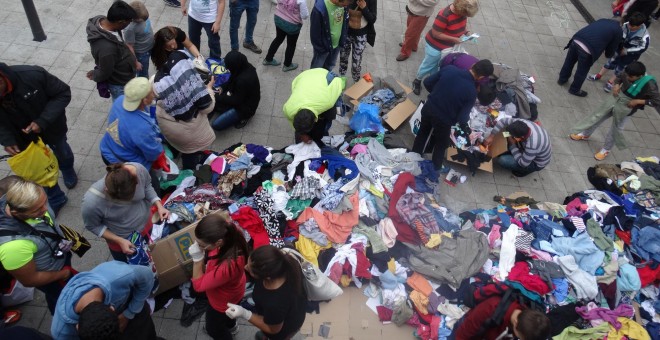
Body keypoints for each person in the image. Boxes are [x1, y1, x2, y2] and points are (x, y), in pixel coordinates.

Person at [0, 62, 77, 214]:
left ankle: (67, 169)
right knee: (38, 169)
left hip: (51, 128)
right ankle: (56, 197)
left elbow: (63, 93)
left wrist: (42, 121)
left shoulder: (32, 74)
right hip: (23, 138)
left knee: (62, 151)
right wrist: (7, 139)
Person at [0, 179, 74, 314]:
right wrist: (63, 274)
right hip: (52, 275)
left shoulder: (21, 198)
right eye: (38, 209)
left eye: (44, 202)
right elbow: (30, 279)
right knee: (60, 298)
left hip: (57, 255)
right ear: (16, 213)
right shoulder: (12, 247)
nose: (45, 209)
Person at [411, 60, 493, 172]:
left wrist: (437, 94)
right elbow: (462, 118)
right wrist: (465, 126)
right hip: (443, 121)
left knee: (423, 133)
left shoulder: (449, 69)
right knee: (441, 144)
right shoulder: (471, 92)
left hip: (429, 108)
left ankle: (413, 159)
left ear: (473, 65)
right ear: (481, 77)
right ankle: (434, 169)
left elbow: (427, 82)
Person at [570, 61, 660, 161]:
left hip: (627, 108)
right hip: (615, 98)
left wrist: (638, 101)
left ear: (640, 76)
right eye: (628, 76)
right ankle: (585, 134)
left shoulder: (650, 84)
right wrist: (616, 85)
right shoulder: (628, 71)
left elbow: (656, 101)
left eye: (631, 77)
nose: (628, 78)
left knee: (615, 129)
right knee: (598, 116)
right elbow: (619, 77)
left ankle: (606, 149)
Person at [82, 162, 169, 261]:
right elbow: (92, 226)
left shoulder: (139, 170)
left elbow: (147, 186)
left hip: (148, 227)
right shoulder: (91, 202)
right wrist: (119, 241)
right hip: (125, 241)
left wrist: (159, 205)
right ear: (107, 190)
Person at [51, 261, 157, 340]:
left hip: (131, 313)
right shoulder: (61, 333)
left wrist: (129, 313)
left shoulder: (120, 276)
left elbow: (147, 276)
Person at [226, 245, 307, 340]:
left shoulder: (275, 302)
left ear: (267, 277)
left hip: (283, 329)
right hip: (292, 312)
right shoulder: (284, 264)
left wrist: (244, 313)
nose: (245, 267)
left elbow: (273, 329)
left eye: (250, 270)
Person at [187, 213, 248, 339]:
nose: (198, 247)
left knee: (214, 328)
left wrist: (197, 259)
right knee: (229, 315)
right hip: (235, 291)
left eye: (202, 245)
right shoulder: (230, 232)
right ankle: (232, 326)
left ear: (218, 242)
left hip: (222, 301)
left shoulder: (228, 266)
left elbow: (198, 286)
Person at [153, 53, 216, 170]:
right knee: (190, 153)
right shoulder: (191, 88)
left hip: (170, 132)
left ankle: (175, 152)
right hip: (188, 136)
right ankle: (189, 170)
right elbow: (208, 107)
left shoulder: (159, 83)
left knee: (177, 145)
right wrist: (209, 89)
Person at [411, 0, 479, 95]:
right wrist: (454, 39)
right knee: (428, 65)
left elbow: (461, 26)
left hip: (448, 47)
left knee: (437, 66)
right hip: (435, 47)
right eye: (466, 14)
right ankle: (417, 80)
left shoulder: (462, 14)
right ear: (461, 9)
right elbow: (436, 34)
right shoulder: (444, 15)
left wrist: (467, 33)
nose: (466, 16)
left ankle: (432, 80)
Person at [99, 77, 162, 170]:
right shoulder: (143, 129)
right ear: (144, 100)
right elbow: (153, 153)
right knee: (151, 183)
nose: (153, 95)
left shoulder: (120, 100)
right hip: (125, 164)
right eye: (151, 93)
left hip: (106, 150)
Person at [86, 1, 138, 100]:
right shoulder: (107, 49)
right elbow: (105, 72)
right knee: (122, 108)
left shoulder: (102, 20)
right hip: (120, 84)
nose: (130, 23)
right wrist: (95, 74)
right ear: (120, 22)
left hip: (123, 71)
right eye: (129, 21)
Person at [557, 18, 622, 97]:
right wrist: (608, 54)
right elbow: (611, 49)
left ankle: (562, 79)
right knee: (582, 71)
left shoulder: (602, 20)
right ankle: (574, 89)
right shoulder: (618, 30)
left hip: (576, 40)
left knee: (569, 62)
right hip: (588, 49)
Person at [587, 12, 650, 93]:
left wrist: (627, 51)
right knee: (610, 62)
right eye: (630, 24)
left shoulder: (645, 36)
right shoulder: (626, 25)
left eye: (633, 26)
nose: (630, 27)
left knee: (620, 68)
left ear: (640, 25)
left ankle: (610, 82)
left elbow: (642, 48)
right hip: (618, 49)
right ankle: (599, 75)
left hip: (630, 56)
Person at [283, 68, 344, 144]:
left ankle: (323, 134)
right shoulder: (288, 109)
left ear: (315, 119)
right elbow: (293, 123)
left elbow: (338, 81)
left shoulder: (327, 101)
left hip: (320, 75)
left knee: (328, 118)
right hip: (303, 78)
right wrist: (303, 134)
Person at [453, 296, 551, 340]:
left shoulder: (525, 318)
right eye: (520, 337)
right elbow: (463, 333)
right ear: (516, 323)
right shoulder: (490, 309)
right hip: (469, 329)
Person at [484, 118, 552, 177]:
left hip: (534, 162)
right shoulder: (520, 123)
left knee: (503, 160)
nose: (510, 135)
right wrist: (491, 136)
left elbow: (523, 163)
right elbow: (502, 121)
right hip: (526, 149)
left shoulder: (532, 145)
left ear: (521, 137)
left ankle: (523, 172)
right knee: (504, 134)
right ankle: (512, 149)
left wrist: (512, 145)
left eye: (513, 136)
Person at [211, 51, 261, 130]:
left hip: (245, 108)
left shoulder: (242, 81)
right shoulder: (245, 67)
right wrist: (222, 88)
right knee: (216, 103)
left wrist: (216, 96)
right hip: (242, 98)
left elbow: (236, 100)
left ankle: (244, 117)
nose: (228, 69)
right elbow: (232, 78)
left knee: (216, 125)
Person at [262, 0, 310, 72]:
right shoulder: (301, 1)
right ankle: (287, 65)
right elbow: (305, 16)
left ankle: (268, 59)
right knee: (291, 45)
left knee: (278, 39)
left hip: (279, 19)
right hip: (292, 25)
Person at [338, 0, 377, 83]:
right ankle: (342, 77)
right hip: (346, 32)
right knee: (343, 56)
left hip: (361, 35)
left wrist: (364, 8)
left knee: (357, 62)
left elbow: (373, 19)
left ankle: (356, 80)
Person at [309, 0, 350, 70]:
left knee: (329, 67)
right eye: (343, 5)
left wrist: (342, 39)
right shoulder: (319, 8)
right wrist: (321, 49)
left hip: (336, 46)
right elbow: (314, 34)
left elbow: (345, 22)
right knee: (316, 71)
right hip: (322, 50)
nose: (346, 7)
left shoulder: (344, 5)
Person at [123, 1, 155, 78]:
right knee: (143, 75)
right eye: (141, 20)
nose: (144, 21)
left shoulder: (143, 15)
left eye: (145, 18)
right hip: (142, 53)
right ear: (133, 18)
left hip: (151, 45)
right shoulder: (130, 28)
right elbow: (129, 46)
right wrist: (136, 62)